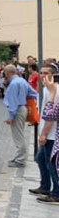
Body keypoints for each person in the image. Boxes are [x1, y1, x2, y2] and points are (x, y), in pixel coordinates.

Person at [3, 64, 37, 168]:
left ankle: (20, 159)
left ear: (8, 73)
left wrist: (11, 116)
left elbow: (13, 102)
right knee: (19, 133)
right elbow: (34, 93)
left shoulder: (13, 84)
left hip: (17, 110)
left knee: (18, 135)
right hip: (23, 108)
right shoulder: (22, 81)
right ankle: (19, 157)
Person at [37, 70, 59, 204]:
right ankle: (48, 188)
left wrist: (51, 94)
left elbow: (49, 115)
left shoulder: (55, 92)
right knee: (42, 159)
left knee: (52, 163)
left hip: (53, 136)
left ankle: (56, 192)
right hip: (51, 134)